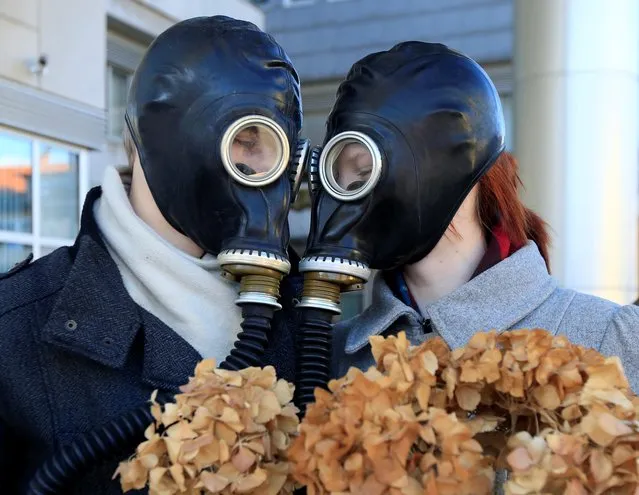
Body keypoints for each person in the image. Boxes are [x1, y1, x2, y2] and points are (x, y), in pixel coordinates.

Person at [0, 16, 305, 493]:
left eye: (285, 151)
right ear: (152, 135)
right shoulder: (15, 332)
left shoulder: (312, 322)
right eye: (247, 139)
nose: (270, 172)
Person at [298, 41, 639, 390]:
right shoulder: (327, 356)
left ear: (456, 165)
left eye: (364, 168)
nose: (347, 194)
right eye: (340, 176)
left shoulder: (610, 340)